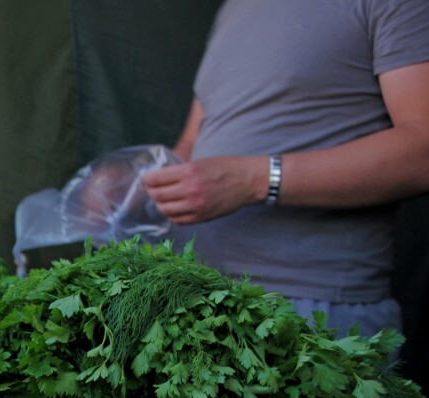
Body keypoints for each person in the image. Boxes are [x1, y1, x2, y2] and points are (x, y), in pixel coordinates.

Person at [142, 0, 429, 339]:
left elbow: (422, 151)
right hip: (198, 296)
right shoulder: (236, 7)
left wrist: (255, 179)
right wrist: (137, 182)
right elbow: (193, 144)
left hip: (312, 312)